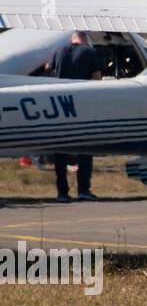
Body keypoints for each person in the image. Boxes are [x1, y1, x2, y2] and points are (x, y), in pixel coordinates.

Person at [46, 31, 103, 203]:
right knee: (84, 149)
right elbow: (97, 79)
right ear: (85, 40)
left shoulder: (59, 50)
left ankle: (62, 192)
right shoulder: (89, 52)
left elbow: (48, 68)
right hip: (81, 103)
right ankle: (83, 190)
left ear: (72, 39)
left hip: (60, 103)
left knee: (61, 149)